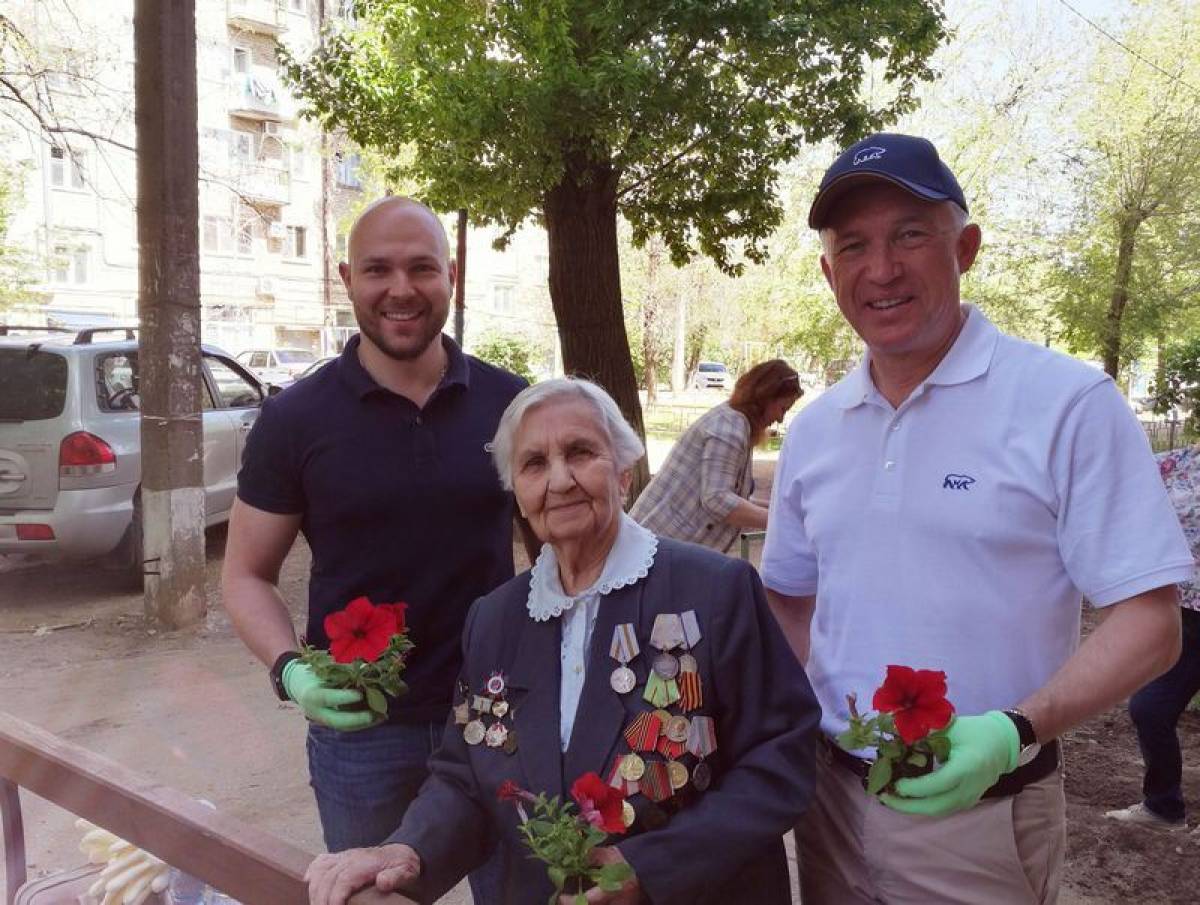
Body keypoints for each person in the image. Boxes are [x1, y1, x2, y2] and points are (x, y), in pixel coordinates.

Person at [760, 132, 1194, 904]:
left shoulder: (1066, 404)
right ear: (829, 273)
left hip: (983, 819)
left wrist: (1014, 729)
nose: (881, 268)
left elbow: (1152, 622)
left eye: (910, 234)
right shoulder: (816, 429)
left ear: (966, 247)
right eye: (853, 245)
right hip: (826, 807)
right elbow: (791, 598)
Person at [305, 377, 820, 905]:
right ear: (517, 493)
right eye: (533, 464)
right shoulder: (496, 618)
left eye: (580, 452)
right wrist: (410, 849)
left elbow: (781, 758)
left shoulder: (714, 591)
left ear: (623, 473)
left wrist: (648, 868)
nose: (559, 480)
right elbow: (467, 776)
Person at [221, 196, 529, 886]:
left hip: (497, 716)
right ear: (344, 279)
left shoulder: (513, 405)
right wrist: (290, 672)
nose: (400, 289)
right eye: (377, 269)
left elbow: (564, 558)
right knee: (370, 896)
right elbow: (245, 573)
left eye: (422, 268)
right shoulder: (294, 418)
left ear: (453, 275)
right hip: (360, 732)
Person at [1105, 445, 1200, 832]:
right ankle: (1163, 806)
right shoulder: (1179, 463)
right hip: (1188, 611)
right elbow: (1115, 481)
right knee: (1151, 707)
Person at [630, 359, 802, 552]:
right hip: (656, 547)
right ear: (765, 397)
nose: (780, 419)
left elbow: (732, 497)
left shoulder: (736, 423)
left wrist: (780, 510)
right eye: (782, 409)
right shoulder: (728, 428)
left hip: (663, 546)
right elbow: (717, 500)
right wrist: (783, 523)